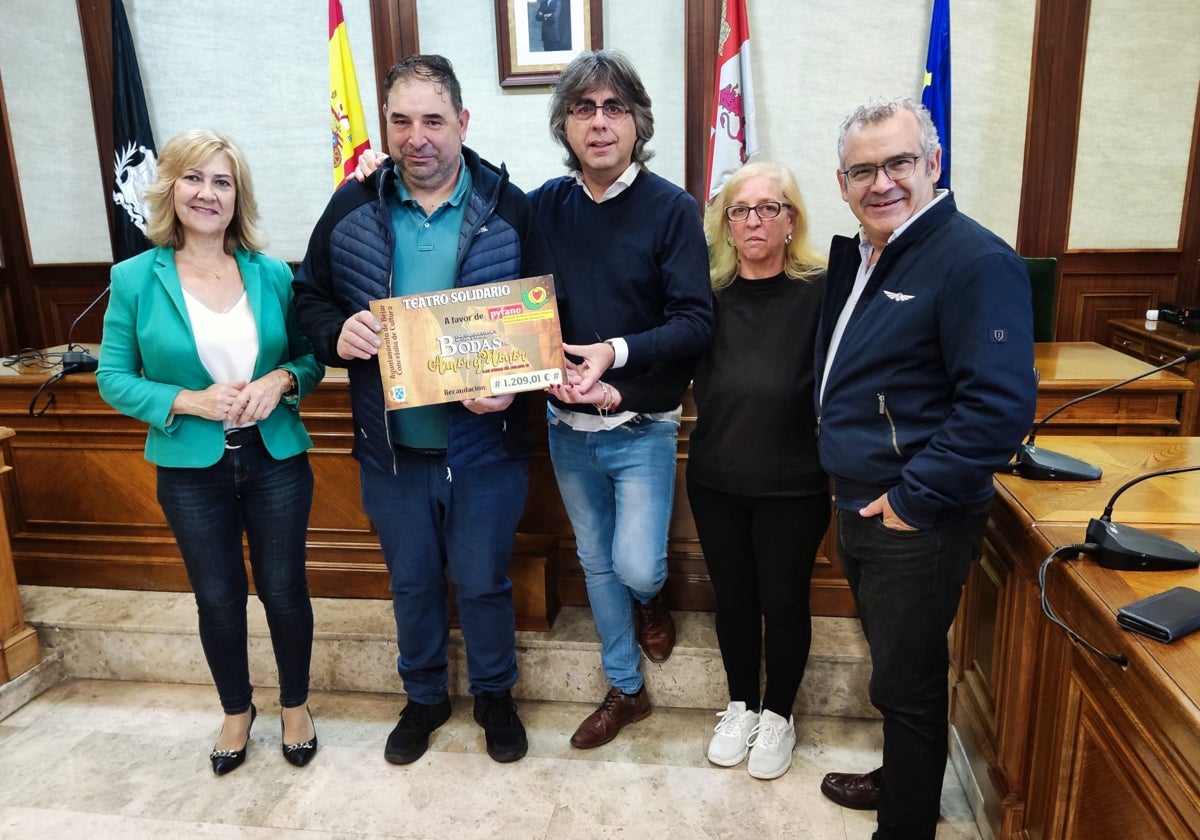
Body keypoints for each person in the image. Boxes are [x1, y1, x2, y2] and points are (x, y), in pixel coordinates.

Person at [292, 54, 554, 766]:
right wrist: (332, 331)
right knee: (411, 584)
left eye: (434, 120)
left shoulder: (510, 206)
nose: (418, 137)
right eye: (402, 121)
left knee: (484, 582)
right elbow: (307, 297)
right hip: (393, 451)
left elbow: (548, 319)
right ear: (387, 126)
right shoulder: (351, 206)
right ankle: (426, 698)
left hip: (486, 448)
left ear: (462, 123)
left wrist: (516, 386)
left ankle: (495, 695)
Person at [814, 97, 1037, 838]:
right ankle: (902, 782)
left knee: (906, 684)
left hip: (915, 517)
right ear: (842, 181)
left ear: (933, 165)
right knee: (895, 672)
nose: (882, 182)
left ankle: (905, 825)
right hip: (862, 505)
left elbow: (997, 411)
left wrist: (911, 501)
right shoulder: (866, 252)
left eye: (899, 163)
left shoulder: (974, 260)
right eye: (863, 169)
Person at [96, 129, 325, 775]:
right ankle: (235, 709)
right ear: (171, 187)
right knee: (218, 596)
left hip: (274, 457)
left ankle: (297, 704)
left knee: (284, 589)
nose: (208, 192)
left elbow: (309, 361)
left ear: (237, 197)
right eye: (194, 178)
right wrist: (186, 401)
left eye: (222, 181)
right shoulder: (135, 278)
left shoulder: (272, 273)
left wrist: (280, 381)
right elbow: (113, 376)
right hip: (189, 466)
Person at [527, 49, 712, 749]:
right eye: (583, 108)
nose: (599, 122)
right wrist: (539, 367)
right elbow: (518, 308)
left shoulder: (671, 208)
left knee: (637, 564)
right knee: (596, 560)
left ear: (637, 121)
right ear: (564, 123)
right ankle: (625, 690)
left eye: (613, 108)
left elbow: (694, 321)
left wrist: (616, 358)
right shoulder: (543, 205)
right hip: (564, 427)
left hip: (642, 425)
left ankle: (652, 600)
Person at [688, 161, 829, 781]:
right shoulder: (706, 295)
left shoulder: (823, 290)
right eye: (740, 210)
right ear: (725, 220)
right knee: (735, 601)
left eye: (769, 208)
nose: (753, 221)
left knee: (784, 602)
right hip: (716, 478)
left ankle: (779, 714)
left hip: (793, 484)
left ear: (790, 219)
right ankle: (741, 703)